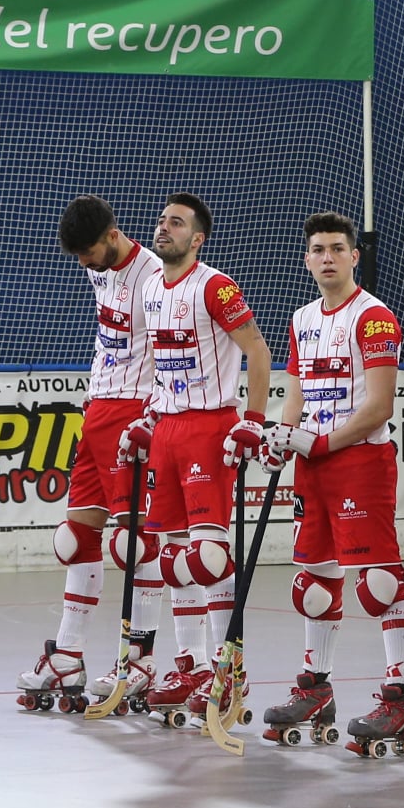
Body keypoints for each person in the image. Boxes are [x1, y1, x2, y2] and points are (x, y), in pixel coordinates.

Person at [256, 213, 404, 755]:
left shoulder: (374, 318)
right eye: (318, 249)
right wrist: (283, 437)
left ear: (354, 256)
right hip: (313, 464)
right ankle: (315, 691)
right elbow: (297, 391)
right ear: (307, 259)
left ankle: (400, 698)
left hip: (359, 461)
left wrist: (321, 443)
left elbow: (379, 407)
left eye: (337, 249)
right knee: (313, 583)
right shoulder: (302, 318)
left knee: (380, 583)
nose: (327, 257)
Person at [117, 192, 275, 723]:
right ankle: (190, 666)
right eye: (162, 220)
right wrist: (148, 417)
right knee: (170, 558)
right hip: (167, 430)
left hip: (210, 427)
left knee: (208, 556)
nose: (164, 228)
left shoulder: (214, 286)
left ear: (197, 238)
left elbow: (257, 351)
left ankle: (229, 671)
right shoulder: (150, 288)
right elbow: (160, 363)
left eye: (177, 223)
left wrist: (253, 420)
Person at [16, 196, 167, 712]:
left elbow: (172, 352)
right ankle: (68, 655)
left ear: (112, 234)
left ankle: (140, 659)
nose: (84, 262)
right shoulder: (96, 267)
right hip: (97, 407)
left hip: (133, 410)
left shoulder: (153, 276)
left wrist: (154, 416)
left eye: (88, 252)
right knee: (75, 537)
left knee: (136, 544)